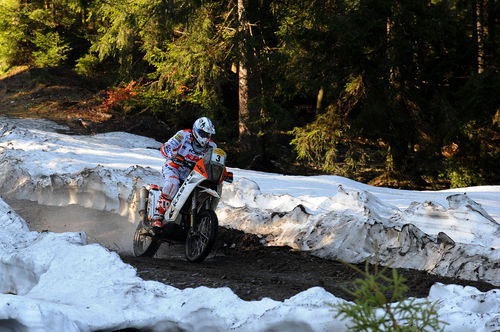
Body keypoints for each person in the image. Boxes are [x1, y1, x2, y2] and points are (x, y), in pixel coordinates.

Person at [151, 117, 217, 232]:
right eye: (203, 133)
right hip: (174, 167)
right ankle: (158, 216)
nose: (205, 137)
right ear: (196, 130)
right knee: (173, 183)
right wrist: (173, 155)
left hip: (194, 175)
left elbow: (215, 162)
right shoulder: (183, 135)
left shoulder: (212, 146)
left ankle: (194, 223)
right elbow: (166, 147)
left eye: (208, 134)